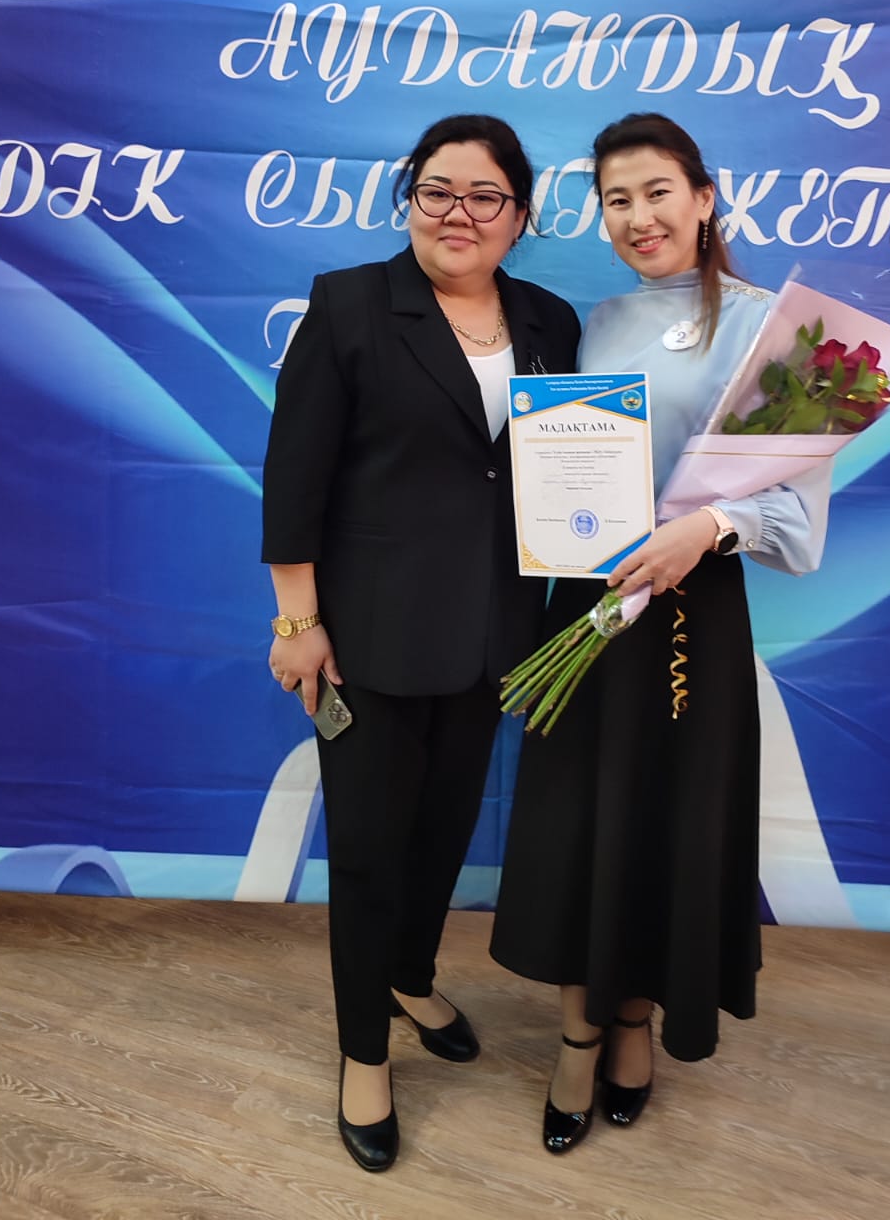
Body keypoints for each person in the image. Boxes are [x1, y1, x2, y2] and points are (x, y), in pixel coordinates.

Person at [490, 112, 831, 1154]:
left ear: (705, 198)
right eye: (616, 199)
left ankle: (634, 1023)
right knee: (577, 827)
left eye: (657, 192)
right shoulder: (594, 323)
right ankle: (576, 1037)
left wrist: (709, 524)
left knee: (662, 825)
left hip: (692, 616)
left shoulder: (782, 334)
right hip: (588, 607)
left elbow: (797, 526)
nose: (638, 217)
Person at [261, 114, 579, 1173]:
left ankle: (409, 975)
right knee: (366, 851)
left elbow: (561, 472)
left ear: (520, 216)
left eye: (486, 196)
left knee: (443, 834)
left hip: (492, 634)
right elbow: (294, 477)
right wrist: (298, 623)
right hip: (367, 640)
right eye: (438, 190)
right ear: (410, 200)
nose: (459, 213)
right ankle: (364, 1055)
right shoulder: (351, 303)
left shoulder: (549, 321)